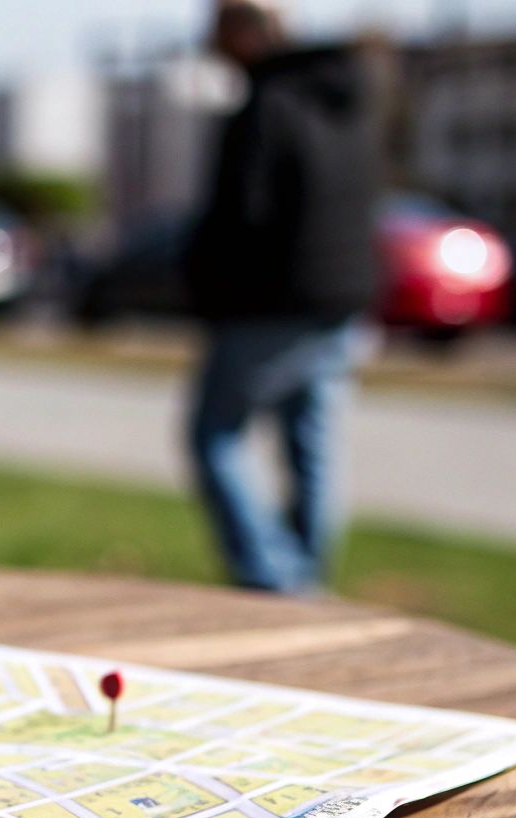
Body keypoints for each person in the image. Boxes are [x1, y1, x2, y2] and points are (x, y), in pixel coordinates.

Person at [184, 0, 381, 594]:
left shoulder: (267, 105)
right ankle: (305, 579)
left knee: (212, 437)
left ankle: (279, 581)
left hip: (270, 303)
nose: (209, 42)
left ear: (249, 31)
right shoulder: (349, 100)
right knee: (311, 448)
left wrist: (202, 281)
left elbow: (243, 217)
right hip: (342, 299)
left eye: (218, 29)